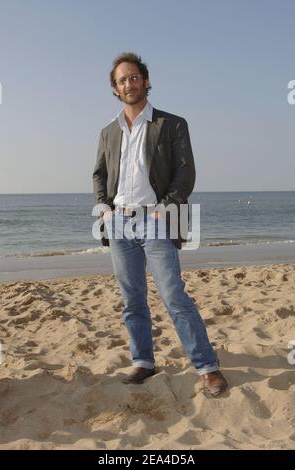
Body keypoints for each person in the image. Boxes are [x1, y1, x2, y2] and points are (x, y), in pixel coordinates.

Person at [93, 52, 228, 397]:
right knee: (132, 299)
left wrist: (166, 208)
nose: (129, 83)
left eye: (134, 77)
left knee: (173, 295)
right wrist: (103, 209)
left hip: (156, 220)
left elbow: (186, 172)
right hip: (119, 223)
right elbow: (100, 175)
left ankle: (207, 367)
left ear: (146, 81)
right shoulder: (108, 131)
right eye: (122, 80)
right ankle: (143, 362)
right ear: (115, 88)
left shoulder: (171, 124)